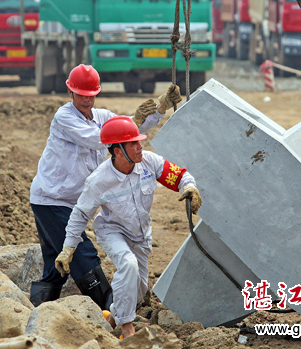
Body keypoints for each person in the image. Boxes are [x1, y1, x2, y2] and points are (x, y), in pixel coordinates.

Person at [29, 64, 182, 310]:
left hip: (75, 200)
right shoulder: (64, 117)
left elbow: (130, 131)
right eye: (81, 95)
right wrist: (133, 118)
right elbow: (96, 138)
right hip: (53, 199)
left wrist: (160, 106)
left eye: (91, 95)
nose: (87, 100)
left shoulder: (102, 116)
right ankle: (111, 308)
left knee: (55, 268)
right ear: (71, 93)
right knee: (80, 254)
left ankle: (37, 313)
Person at [55, 116, 202, 338]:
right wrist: (68, 249)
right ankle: (127, 329)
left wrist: (190, 186)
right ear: (117, 151)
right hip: (112, 231)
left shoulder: (149, 162)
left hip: (141, 234)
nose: (140, 146)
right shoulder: (98, 181)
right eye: (133, 143)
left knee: (139, 288)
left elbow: (178, 175)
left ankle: (112, 318)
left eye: (138, 141)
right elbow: (80, 215)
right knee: (128, 265)